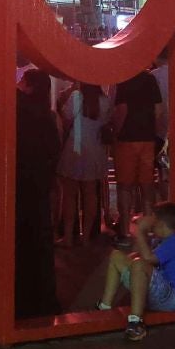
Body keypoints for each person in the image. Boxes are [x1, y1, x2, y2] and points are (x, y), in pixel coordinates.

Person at [96, 201, 175, 340]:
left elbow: (147, 259)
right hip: (157, 292)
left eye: (154, 222)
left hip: (172, 299)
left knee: (139, 264)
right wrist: (142, 237)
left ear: (161, 225)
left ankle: (136, 323)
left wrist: (140, 230)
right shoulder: (159, 240)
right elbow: (136, 255)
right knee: (117, 256)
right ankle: (105, 306)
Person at [13, 66, 63, 318]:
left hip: (18, 187)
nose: (19, 84)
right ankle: (44, 299)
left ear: (30, 86)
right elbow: (55, 151)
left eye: (22, 81)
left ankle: (21, 300)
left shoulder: (18, 112)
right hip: (40, 188)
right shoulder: (48, 116)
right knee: (41, 247)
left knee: (20, 245)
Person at [109, 63, 163, 239]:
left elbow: (121, 110)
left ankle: (124, 229)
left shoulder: (123, 80)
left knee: (125, 186)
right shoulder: (151, 79)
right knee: (147, 185)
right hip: (147, 139)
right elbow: (158, 110)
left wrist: (115, 134)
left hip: (126, 140)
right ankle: (147, 230)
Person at [56, 78, 110, 247]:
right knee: (90, 194)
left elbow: (65, 118)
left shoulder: (76, 96)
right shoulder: (105, 101)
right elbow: (107, 122)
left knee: (70, 196)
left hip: (75, 149)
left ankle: (69, 237)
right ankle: (86, 237)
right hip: (95, 150)